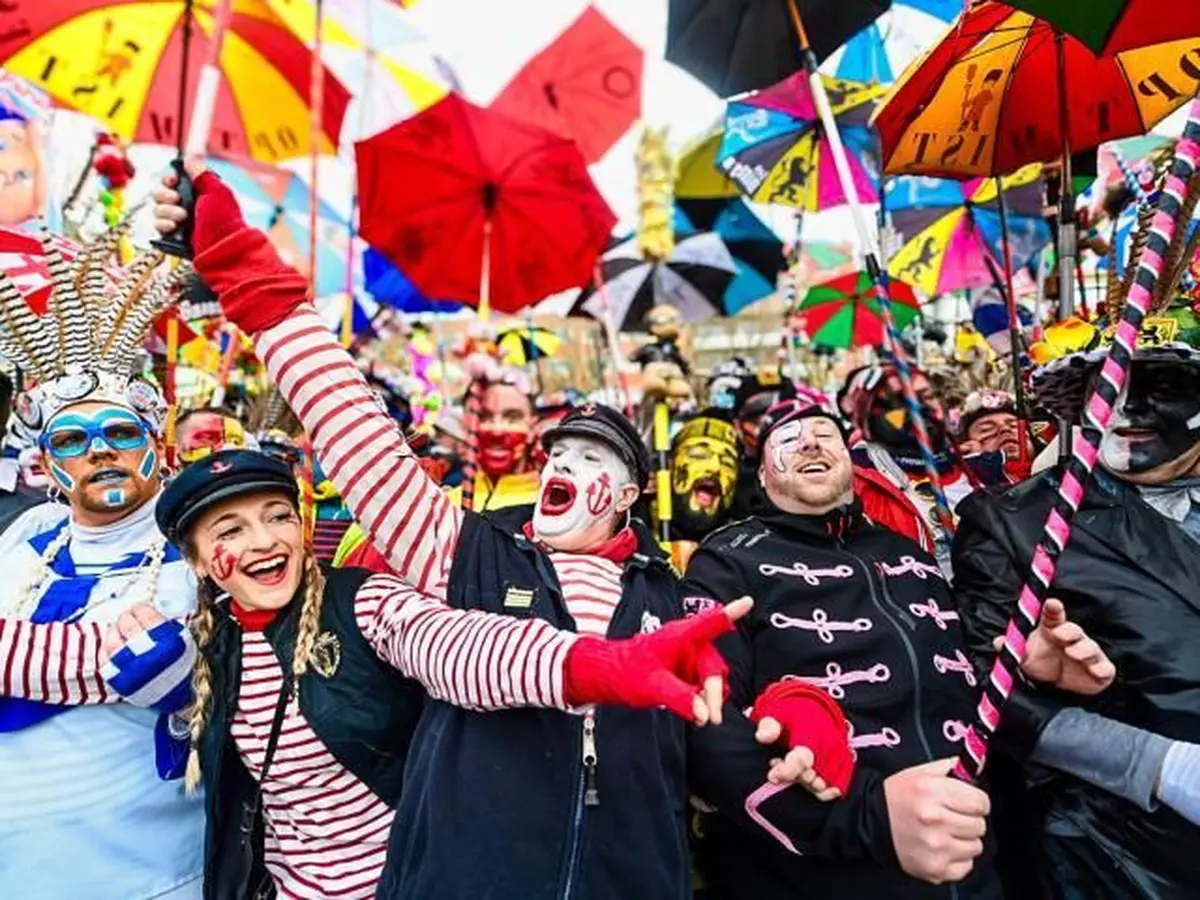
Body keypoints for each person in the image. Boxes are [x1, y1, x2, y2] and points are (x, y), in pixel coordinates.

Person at [153, 162, 778, 900]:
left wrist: (802, 731)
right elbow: (357, 438)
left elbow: (732, 727)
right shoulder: (470, 553)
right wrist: (242, 269)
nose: (562, 463)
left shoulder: (674, 587)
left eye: (595, 458)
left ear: (634, 493)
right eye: (558, 451)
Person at [680, 394, 1116, 900]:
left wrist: (1027, 673)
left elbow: (951, 684)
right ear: (762, 474)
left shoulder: (909, 554)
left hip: (973, 868)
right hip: (821, 878)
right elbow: (703, 720)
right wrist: (868, 818)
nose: (809, 443)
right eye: (789, 439)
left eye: (826, 434)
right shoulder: (726, 562)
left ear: (850, 456)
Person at [954, 291, 1200, 897]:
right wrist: (1158, 767)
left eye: (1163, 384)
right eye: (1112, 383)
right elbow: (975, 680)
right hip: (1115, 850)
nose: (1131, 404)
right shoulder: (1017, 521)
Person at [0, 234, 204, 899]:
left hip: (146, 877)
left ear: (154, 439)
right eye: (71, 440)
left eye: (119, 432)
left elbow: (118, 668)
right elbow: (83, 663)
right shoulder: (29, 533)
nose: (99, 453)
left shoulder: (192, 555)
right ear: (48, 462)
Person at [667, 409, 740, 568]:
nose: (715, 468)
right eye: (699, 455)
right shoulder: (636, 529)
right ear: (669, 467)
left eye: (727, 462)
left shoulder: (742, 546)